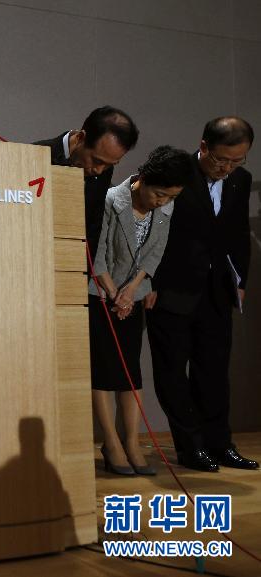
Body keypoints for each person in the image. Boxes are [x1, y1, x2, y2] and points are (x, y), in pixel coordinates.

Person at [145, 117, 257, 472]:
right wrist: (148, 281)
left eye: (237, 161)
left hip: (216, 291)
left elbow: (238, 235)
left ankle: (220, 444)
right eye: (221, 160)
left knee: (213, 372)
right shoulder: (177, 171)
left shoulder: (240, 180)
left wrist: (239, 281)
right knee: (173, 372)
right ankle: (190, 447)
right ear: (204, 146)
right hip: (170, 288)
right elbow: (149, 227)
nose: (227, 168)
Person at [88, 145, 192, 476]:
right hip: (101, 294)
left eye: (170, 197)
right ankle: (112, 443)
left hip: (131, 295)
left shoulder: (166, 207)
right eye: (159, 193)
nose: (162, 202)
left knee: (130, 370)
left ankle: (132, 441)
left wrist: (132, 290)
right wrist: (113, 292)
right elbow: (96, 252)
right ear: (142, 180)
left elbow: (154, 254)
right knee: (104, 370)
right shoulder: (109, 200)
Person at [34, 106, 139, 259]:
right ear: (79, 138)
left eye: (110, 164)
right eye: (97, 160)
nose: (99, 170)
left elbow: (92, 227)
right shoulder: (33, 155)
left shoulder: (103, 170)